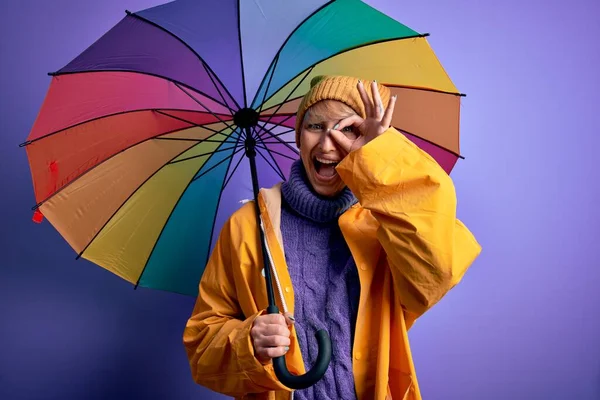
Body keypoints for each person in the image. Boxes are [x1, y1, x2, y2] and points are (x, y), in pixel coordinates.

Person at [183, 75, 481, 400]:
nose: (327, 144)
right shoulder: (246, 227)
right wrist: (247, 341)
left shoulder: (388, 227)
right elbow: (202, 344)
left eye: (349, 129)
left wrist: (381, 158)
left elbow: (436, 271)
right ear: (298, 137)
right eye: (315, 126)